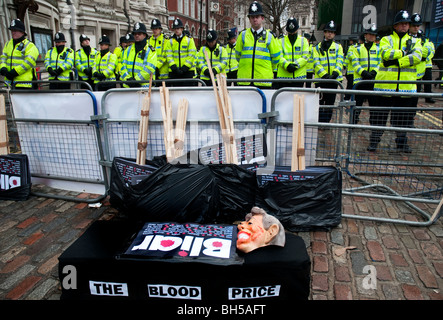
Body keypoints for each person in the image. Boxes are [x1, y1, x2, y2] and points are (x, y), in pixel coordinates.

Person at [370, 10, 422, 153]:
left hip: (405, 87)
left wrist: (397, 62)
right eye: (401, 24)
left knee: (402, 119)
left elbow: (417, 57)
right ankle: (374, 141)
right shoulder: (387, 39)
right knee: (379, 117)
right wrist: (405, 53)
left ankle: (402, 143)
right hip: (385, 86)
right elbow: (386, 54)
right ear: (395, 26)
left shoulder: (416, 41)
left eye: (406, 24)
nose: (404, 26)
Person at [235, 1, 281, 89]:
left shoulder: (270, 36)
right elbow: (238, 56)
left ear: (262, 18)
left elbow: (276, 58)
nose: (255, 19)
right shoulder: (243, 35)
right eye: (252, 17)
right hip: (244, 81)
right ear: (249, 19)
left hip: (263, 81)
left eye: (257, 17)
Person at [312, 20, 344, 123]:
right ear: (324, 33)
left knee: (330, 102)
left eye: (332, 32)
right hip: (321, 80)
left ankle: (326, 121)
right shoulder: (317, 47)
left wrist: (335, 73)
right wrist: (324, 75)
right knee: (320, 102)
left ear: (334, 34)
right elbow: (316, 63)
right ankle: (320, 120)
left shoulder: (338, 47)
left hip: (333, 80)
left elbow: (340, 60)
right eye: (328, 31)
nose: (330, 34)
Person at [350, 24, 381, 124]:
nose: (371, 36)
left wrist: (374, 72)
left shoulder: (378, 49)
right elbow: (355, 62)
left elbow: (380, 62)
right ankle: (353, 122)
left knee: (374, 105)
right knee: (357, 104)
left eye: (373, 35)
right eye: (369, 34)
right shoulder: (358, 48)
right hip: (360, 81)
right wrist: (362, 72)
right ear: (365, 35)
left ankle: (373, 124)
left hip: (373, 81)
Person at [0, 19, 39, 89]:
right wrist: (3, 67)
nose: (13, 32)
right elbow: (3, 58)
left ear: (22, 32)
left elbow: (29, 62)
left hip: (24, 84)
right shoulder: (8, 44)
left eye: (15, 30)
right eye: (12, 30)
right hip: (9, 83)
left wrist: (15, 72)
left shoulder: (29, 45)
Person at [275, 17, 310, 89]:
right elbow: (279, 56)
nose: (292, 33)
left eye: (293, 32)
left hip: (298, 78)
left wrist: (295, 65)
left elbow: (305, 56)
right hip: (283, 78)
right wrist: (287, 65)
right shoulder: (280, 41)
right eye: (290, 32)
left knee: (297, 100)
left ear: (297, 29)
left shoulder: (304, 41)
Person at [120, 22, 157, 88]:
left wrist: (136, 80)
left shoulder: (151, 50)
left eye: (139, 34)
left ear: (144, 35)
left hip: (144, 88)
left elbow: (149, 68)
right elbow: (123, 67)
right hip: (128, 86)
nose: (137, 35)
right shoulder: (128, 49)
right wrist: (128, 79)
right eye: (135, 34)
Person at [409, 13, 435, 103]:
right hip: (408, 73)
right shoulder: (407, 38)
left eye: (418, 26)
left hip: (422, 69)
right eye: (414, 26)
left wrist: (424, 57)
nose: (416, 28)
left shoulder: (425, 41)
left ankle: (428, 97)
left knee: (416, 96)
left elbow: (429, 51)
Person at [166, 18, 197, 86]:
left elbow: (191, 54)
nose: (176, 30)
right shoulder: (170, 41)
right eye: (175, 29)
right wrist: (173, 66)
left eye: (178, 28)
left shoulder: (189, 40)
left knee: (187, 94)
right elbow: (169, 55)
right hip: (174, 71)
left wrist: (185, 67)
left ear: (182, 29)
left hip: (187, 71)